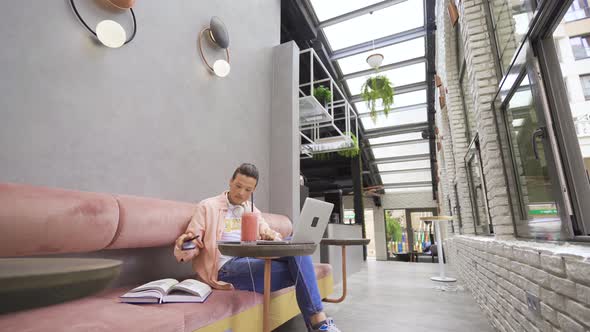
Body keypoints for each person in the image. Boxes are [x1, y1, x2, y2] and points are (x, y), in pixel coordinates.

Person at [174, 163, 341, 332]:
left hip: (249, 260)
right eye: (238, 186)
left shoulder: (252, 211)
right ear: (231, 181)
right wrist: (185, 244)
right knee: (301, 270)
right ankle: (319, 323)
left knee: (294, 244)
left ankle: (318, 322)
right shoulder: (207, 206)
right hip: (224, 268)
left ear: (253, 190)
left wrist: (271, 236)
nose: (241, 193)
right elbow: (191, 241)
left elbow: (269, 231)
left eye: (248, 190)